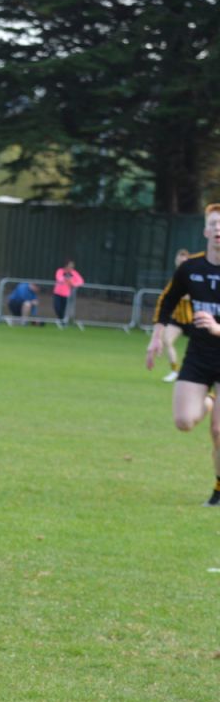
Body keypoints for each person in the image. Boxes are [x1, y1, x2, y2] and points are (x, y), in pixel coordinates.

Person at [147, 206, 220, 505]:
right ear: (205, 232)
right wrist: (156, 336)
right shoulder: (190, 268)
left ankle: (218, 489)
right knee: (184, 421)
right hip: (199, 357)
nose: (218, 229)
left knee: (218, 430)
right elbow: (168, 300)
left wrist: (217, 327)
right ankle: (208, 400)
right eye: (213, 224)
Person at [154, 249, 194, 382]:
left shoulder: (192, 276)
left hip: (193, 320)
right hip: (177, 319)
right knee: (167, 340)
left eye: (184, 261)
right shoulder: (176, 277)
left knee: (201, 348)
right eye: (179, 260)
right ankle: (175, 370)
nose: (181, 262)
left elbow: (189, 296)